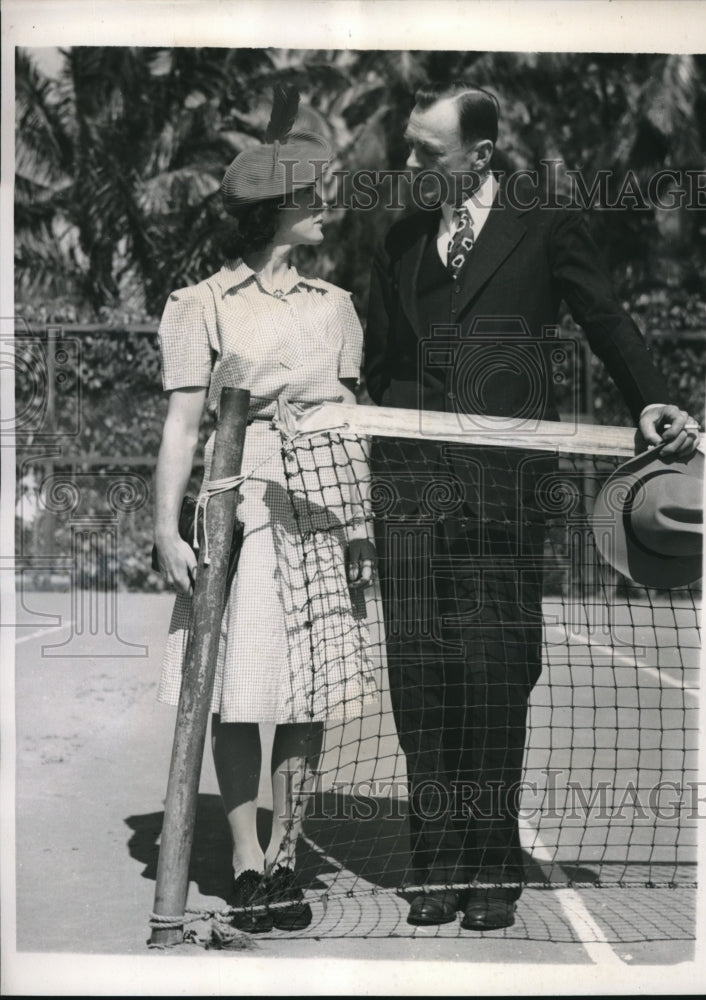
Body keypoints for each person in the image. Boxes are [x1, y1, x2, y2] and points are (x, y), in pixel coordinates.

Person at [364, 81, 700, 931]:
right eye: (407, 146)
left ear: (479, 155)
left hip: (502, 497)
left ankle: (489, 860)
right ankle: (434, 861)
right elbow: (373, 363)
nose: (407, 165)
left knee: (493, 672)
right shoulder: (398, 233)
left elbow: (604, 316)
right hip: (407, 494)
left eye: (424, 152)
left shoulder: (544, 222)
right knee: (419, 675)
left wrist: (652, 396)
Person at [153, 103, 377, 933]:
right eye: (313, 194)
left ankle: (288, 854)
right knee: (240, 692)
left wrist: (357, 530)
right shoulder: (200, 304)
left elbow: (350, 424)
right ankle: (247, 860)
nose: (327, 206)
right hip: (237, 503)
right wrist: (165, 529)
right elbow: (182, 425)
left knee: (309, 694)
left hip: (323, 500)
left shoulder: (337, 305)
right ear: (273, 210)